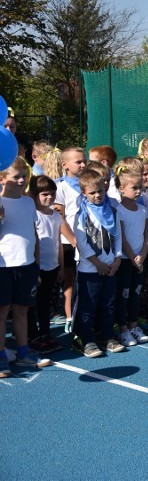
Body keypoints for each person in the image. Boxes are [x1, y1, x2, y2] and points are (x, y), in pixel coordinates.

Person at [0, 158, 53, 377]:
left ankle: (24, 352)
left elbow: (33, 234)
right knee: (2, 313)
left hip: (26, 265)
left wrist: (36, 263)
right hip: (3, 266)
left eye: (25, 176)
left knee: (22, 310)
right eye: (16, 177)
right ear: (2, 179)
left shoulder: (29, 202)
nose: (22, 180)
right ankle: (1, 357)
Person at [74, 168, 124, 357]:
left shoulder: (112, 211)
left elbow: (117, 235)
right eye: (92, 192)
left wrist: (117, 259)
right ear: (84, 193)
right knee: (89, 306)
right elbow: (82, 242)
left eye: (100, 191)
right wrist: (97, 263)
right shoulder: (82, 214)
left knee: (109, 304)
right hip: (90, 269)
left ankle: (107, 336)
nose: (97, 195)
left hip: (111, 267)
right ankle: (87, 339)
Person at [113, 164, 148, 347]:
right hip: (127, 261)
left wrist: (142, 256)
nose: (138, 191)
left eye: (140, 187)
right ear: (121, 189)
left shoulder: (143, 210)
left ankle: (134, 325)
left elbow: (147, 236)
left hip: (139, 261)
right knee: (124, 294)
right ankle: (123, 329)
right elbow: (121, 237)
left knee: (136, 294)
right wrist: (133, 257)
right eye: (134, 188)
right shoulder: (119, 211)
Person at [28, 175, 63, 354]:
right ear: (35, 195)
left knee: (45, 303)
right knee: (30, 304)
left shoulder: (56, 215)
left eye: (52, 194)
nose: (49, 197)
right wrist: (36, 269)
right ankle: (32, 335)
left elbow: (58, 241)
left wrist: (61, 267)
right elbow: (34, 243)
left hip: (52, 266)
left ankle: (45, 333)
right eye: (44, 194)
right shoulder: (34, 215)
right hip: (37, 268)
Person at [55, 146, 87, 329]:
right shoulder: (61, 187)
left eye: (84, 161)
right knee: (70, 280)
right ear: (65, 165)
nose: (83, 164)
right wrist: (74, 240)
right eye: (78, 162)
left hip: (87, 241)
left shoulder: (90, 184)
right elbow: (60, 218)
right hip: (69, 242)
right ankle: (69, 316)